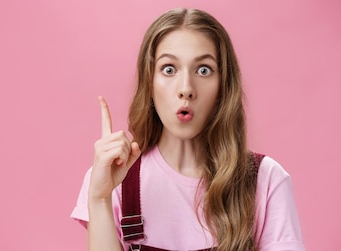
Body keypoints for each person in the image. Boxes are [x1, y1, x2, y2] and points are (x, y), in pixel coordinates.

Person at [70, 8, 304, 251]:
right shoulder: (113, 179)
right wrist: (99, 199)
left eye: (203, 70)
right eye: (169, 69)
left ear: (224, 85)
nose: (186, 88)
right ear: (149, 83)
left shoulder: (265, 180)